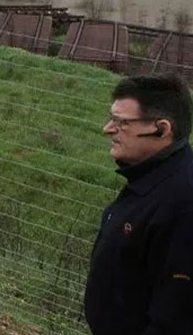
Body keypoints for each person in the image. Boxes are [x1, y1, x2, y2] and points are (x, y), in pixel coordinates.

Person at [85, 73, 193, 335]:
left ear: (162, 129)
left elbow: (174, 321)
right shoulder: (149, 179)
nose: (108, 129)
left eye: (122, 122)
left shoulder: (183, 205)